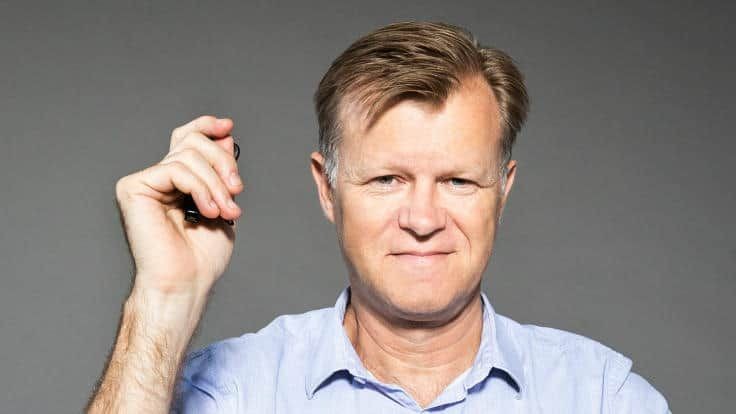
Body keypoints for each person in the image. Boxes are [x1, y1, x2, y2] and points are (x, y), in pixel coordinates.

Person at [86, 21, 670, 413]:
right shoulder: (231, 395)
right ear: (329, 189)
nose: (422, 218)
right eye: (387, 179)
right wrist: (163, 299)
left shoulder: (600, 399)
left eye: (458, 181)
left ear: (502, 191)